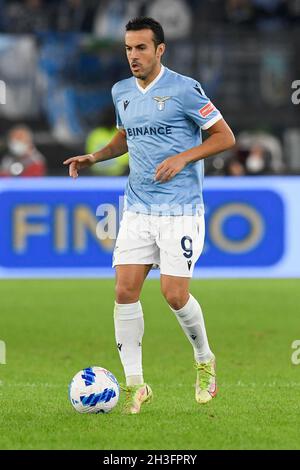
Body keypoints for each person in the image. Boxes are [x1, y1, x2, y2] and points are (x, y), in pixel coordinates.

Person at [64, 17, 235, 414]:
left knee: (174, 295)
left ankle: (205, 359)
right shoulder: (121, 91)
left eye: (141, 48)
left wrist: (183, 157)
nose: (133, 56)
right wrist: (94, 157)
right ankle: (135, 386)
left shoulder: (185, 89)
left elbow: (225, 136)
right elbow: (124, 137)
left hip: (180, 208)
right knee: (124, 292)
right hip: (137, 207)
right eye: (128, 48)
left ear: (160, 49)